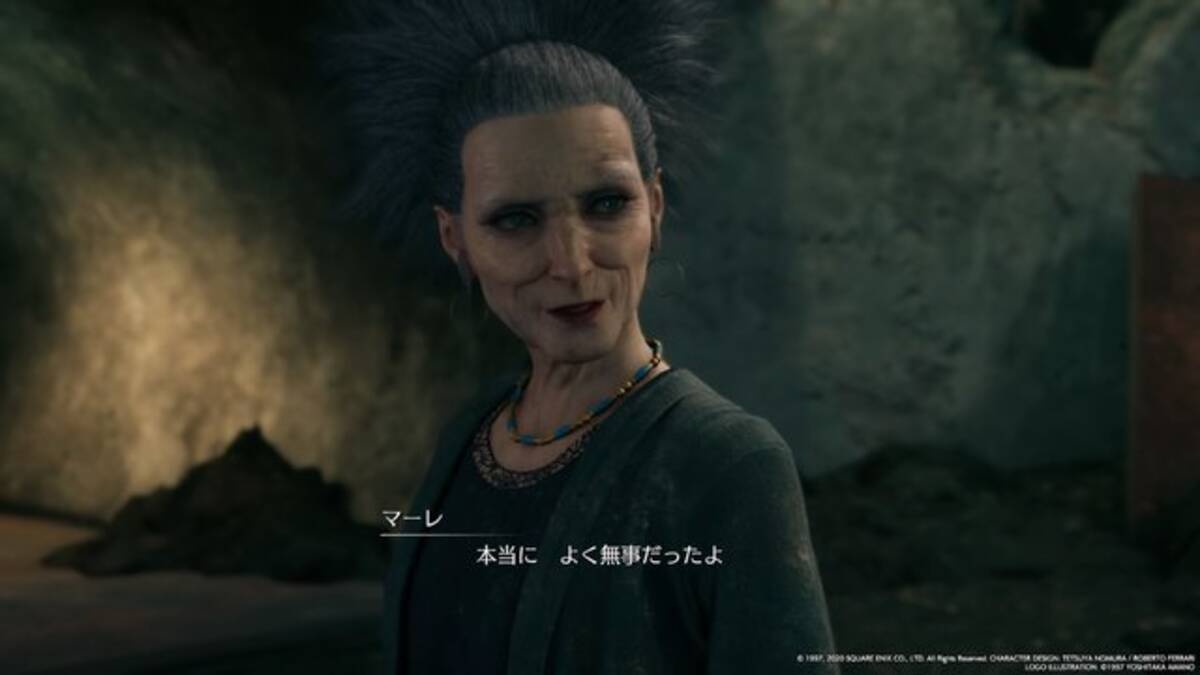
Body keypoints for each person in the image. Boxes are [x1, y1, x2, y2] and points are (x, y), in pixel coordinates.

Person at [320, 1, 840, 673]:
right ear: (456, 239)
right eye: (516, 220)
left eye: (606, 204)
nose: (570, 263)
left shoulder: (726, 465)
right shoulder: (467, 438)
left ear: (654, 208)